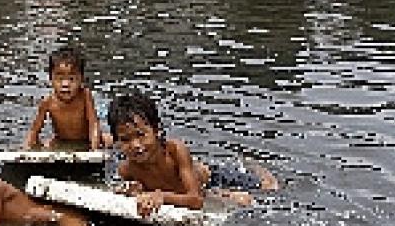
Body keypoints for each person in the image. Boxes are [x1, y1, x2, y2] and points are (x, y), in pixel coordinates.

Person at [107, 88, 278, 217]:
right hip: (194, 191)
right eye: (125, 139)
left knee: (270, 187)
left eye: (141, 135)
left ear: (157, 130)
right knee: (237, 199)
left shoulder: (175, 151)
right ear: (117, 142)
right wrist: (135, 191)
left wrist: (160, 196)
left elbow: (195, 200)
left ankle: (256, 167)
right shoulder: (127, 170)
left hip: (213, 179)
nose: (136, 145)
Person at [23, 45, 111, 151]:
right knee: (47, 145)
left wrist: (94, 149)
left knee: (110, 141)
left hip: (86, 139)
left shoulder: (85, 96)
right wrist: (27, 149)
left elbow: (94, 124)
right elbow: (34, 130)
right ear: (50, 79)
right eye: (59, 79)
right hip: (61, 140)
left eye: (72, 79)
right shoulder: (48, 102)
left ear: (81, 79)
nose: (65, 84)